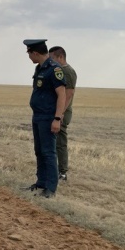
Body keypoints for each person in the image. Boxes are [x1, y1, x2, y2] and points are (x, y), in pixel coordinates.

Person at [23, 39, 66, 198]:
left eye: (29, 53)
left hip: (48, 116)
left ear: (35, 52)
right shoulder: (39, 68)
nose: (28, 57)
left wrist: (57, 118)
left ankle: (50, 188)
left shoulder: (54, 69)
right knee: (39, 151)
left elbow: (61, 94)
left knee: (48, 152)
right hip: (38, 116)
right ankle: (40, 182)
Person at [49, 46, 76, 181]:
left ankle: (62, 172)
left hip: (63, 112)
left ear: (60, 57)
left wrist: (61, 113)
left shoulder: (68, 71)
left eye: (52, 58)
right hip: (57, 111)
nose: (51, 61)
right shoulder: (58, 70)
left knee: (60, 142)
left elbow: (69, 94)